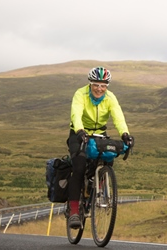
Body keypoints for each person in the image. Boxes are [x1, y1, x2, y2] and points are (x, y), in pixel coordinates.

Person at [67, 66, 134, 228]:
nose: (99, 89)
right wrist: (80, 131)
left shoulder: (110, 97)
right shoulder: (80, 94)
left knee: (108, 157)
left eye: (103, 85)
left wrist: (125, 134)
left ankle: (97, 187)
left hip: (99, 134)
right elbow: (76, 113)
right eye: (96, 85)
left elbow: (118, 117)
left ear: (107, 86)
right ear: (90, 84)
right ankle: (74, 212)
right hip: (79, 133)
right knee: (79, 166)